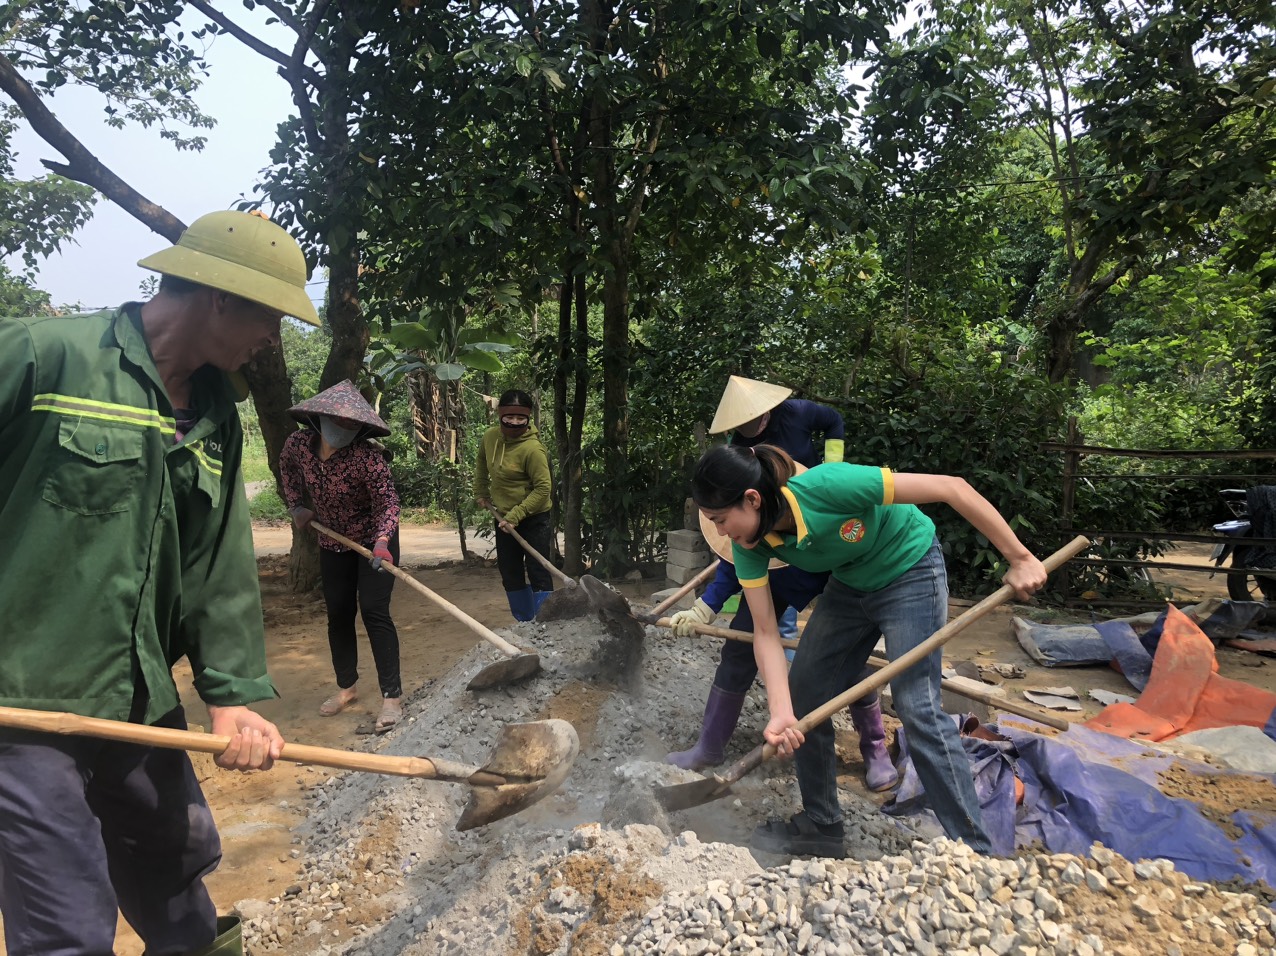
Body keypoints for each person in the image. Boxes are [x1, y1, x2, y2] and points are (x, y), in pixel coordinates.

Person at [0, 210, 319, 955]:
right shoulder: (44, 358)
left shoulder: (213, 415)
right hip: (23, 704)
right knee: (67, 926)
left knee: (178, 882)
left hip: (137, 698)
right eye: (269, 317)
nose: (271, 337)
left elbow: (217, 561)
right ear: (219, 297)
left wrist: (230, 695)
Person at [691, 443, 1047, 858]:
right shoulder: (750, 545)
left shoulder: (830, 486)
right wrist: (780, 711)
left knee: (917, 706)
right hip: (850, 584)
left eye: (720, 519)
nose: (719, 532)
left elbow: (953, 488)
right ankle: (822, 825)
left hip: (910, 568)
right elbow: (766, 631)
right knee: (805, 697)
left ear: (752, 499)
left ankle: (974, 851)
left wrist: (1020, 557)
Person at [667, 377, 896, 794]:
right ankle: (709, 746)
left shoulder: (799, 414)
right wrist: (709, 605)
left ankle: (875, 747)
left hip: (827, 542)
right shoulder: (735, 459)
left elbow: (835, 422)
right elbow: (736, 543)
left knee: (847, 652)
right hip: (777, 556)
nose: (752, 423)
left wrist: (833, 466)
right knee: (742, 644)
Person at [280, 380, 405, 733]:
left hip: (374, 544)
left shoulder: (367, 458)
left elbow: (388, 503)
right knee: (338, 612)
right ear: (319, 417)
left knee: (375, 612)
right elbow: (286, 469)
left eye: (353, 424)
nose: (345, 429)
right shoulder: (298, 445)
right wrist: (297, 506)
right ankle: (346, 687)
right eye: (340, 421)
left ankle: (392, 697)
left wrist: (382, 541)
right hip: (333, 543)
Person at [474, 389, 555, 622]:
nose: (515, 422)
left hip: (533, 517)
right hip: (503, 517)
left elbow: (543, 489)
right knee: (510, 572)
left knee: (538, 569)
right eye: (510, 418)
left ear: (528, 418)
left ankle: (545, 624)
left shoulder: (533, 450)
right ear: (500, 415)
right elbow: (481, 461)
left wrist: (517, 515)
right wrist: (480, 490)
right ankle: (525, 621)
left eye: (521, 419)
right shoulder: (490, 437)